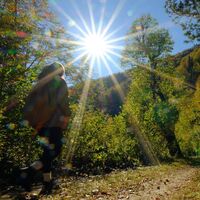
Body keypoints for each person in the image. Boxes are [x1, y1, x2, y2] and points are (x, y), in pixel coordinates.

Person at [19, 62, 71, 195]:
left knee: (46, 154)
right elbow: (63, 102)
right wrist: (66, 116)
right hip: (53, 122)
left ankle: (47, 185)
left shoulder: (39, 84)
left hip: (40, 125)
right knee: (55, 151)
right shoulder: (59, 82)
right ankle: (28, 171)